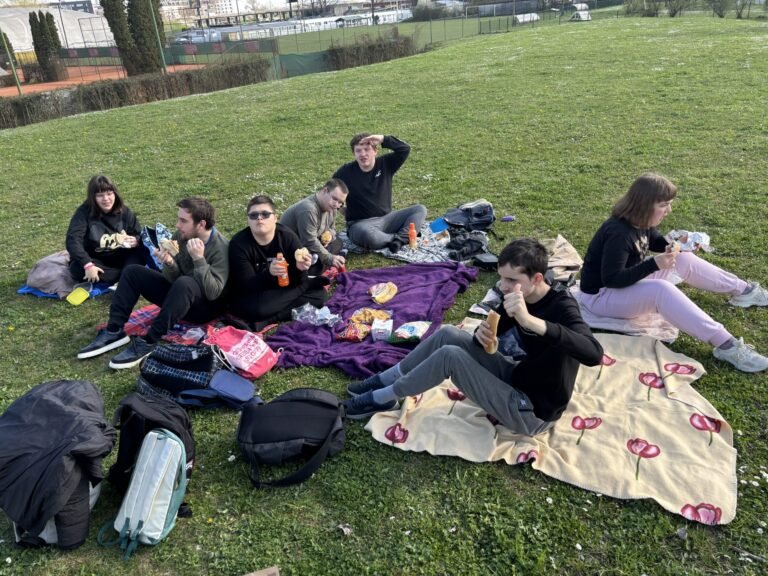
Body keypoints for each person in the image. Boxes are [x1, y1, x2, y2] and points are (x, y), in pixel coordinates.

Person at [344, 238, 604, 432]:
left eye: (511, 280)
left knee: (450, 357)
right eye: (502, 278)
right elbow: (492, 331)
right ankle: (386, 379)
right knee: (448, 334)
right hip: (517, 377)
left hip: (532, 411)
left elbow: (594, 354)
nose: (503, 286)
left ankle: (385, 397)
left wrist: (529, 321)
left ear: (537, 278)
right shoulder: (516, 294)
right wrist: (483, 334)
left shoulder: (562, 306)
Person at [579, 172, 768, 372]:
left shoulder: (640, 222)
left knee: (683, 258)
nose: (669, 210)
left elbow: (656, 242)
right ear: (644, 205)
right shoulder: (619, 233)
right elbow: (612, 279)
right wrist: (654, 265)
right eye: (663, 205)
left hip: (620, 287)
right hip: (600, 298)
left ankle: (745, 291)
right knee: (660, 290)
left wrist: (678, 245)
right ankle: (727, 346)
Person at [77, 197, 229, 369]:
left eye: (183, 221)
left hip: (204, 309)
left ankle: (149, 340)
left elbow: (213, 293)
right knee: (133, 272)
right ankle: (114, 330)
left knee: (185, 282)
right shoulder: (182, 236)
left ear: (201, 224)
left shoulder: (220, 248)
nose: (177, 225)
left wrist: (199, 259)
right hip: (179, 300)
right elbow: (173, 279)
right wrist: (170, 264)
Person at [228, 194, 329, 327]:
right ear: (248, 220)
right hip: (255, 293)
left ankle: (270, 319)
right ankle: (305, 287)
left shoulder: (288, 237)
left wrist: (300, 269)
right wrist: (269, 273)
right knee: (256, 308)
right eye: (253, 215)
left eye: (265, 214)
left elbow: (299, 279)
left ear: (275, 218)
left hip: (283, 289)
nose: (259, 218)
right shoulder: (239, 244)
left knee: (320, 296)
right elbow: (246, 285)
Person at [333, 133, 427, 252]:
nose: (363, 154)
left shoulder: (385, 163)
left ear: (375, 151)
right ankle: (401, 238)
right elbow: (330, 192)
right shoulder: (345, 172)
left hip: (388, 219)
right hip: (361, 225)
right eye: (358, 151)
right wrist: (341, 208)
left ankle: (398, 239)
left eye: (367, 149)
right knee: (367, 235)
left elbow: (404, 149)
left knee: (419, 209)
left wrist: (383, 139)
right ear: (354, 154)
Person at [65, 175, 145, 285]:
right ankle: (126, 277)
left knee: (140, 252)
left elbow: (139, 234)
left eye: (109, 193)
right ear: (93, 198)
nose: (106, 199)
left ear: (115, 194)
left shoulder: (125, 211)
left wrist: (136, 240)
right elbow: (73, 240)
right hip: (96, 259)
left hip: (121, 256)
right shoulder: (83, 213)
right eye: (100, 195)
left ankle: (125, 276)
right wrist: (88, 264)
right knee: (77, 268)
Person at [279, 178, 348, 274]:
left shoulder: (332, 207)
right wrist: (329, 258)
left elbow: (332, 228)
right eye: (335, 199)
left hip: (311, 243)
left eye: (340, 202)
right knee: (320, 261)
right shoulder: (308, 209)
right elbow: (308, 241)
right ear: (325, 191)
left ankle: (318, 262)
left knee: (338, 242)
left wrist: (329, 235)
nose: (336, 205)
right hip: (292, 250)